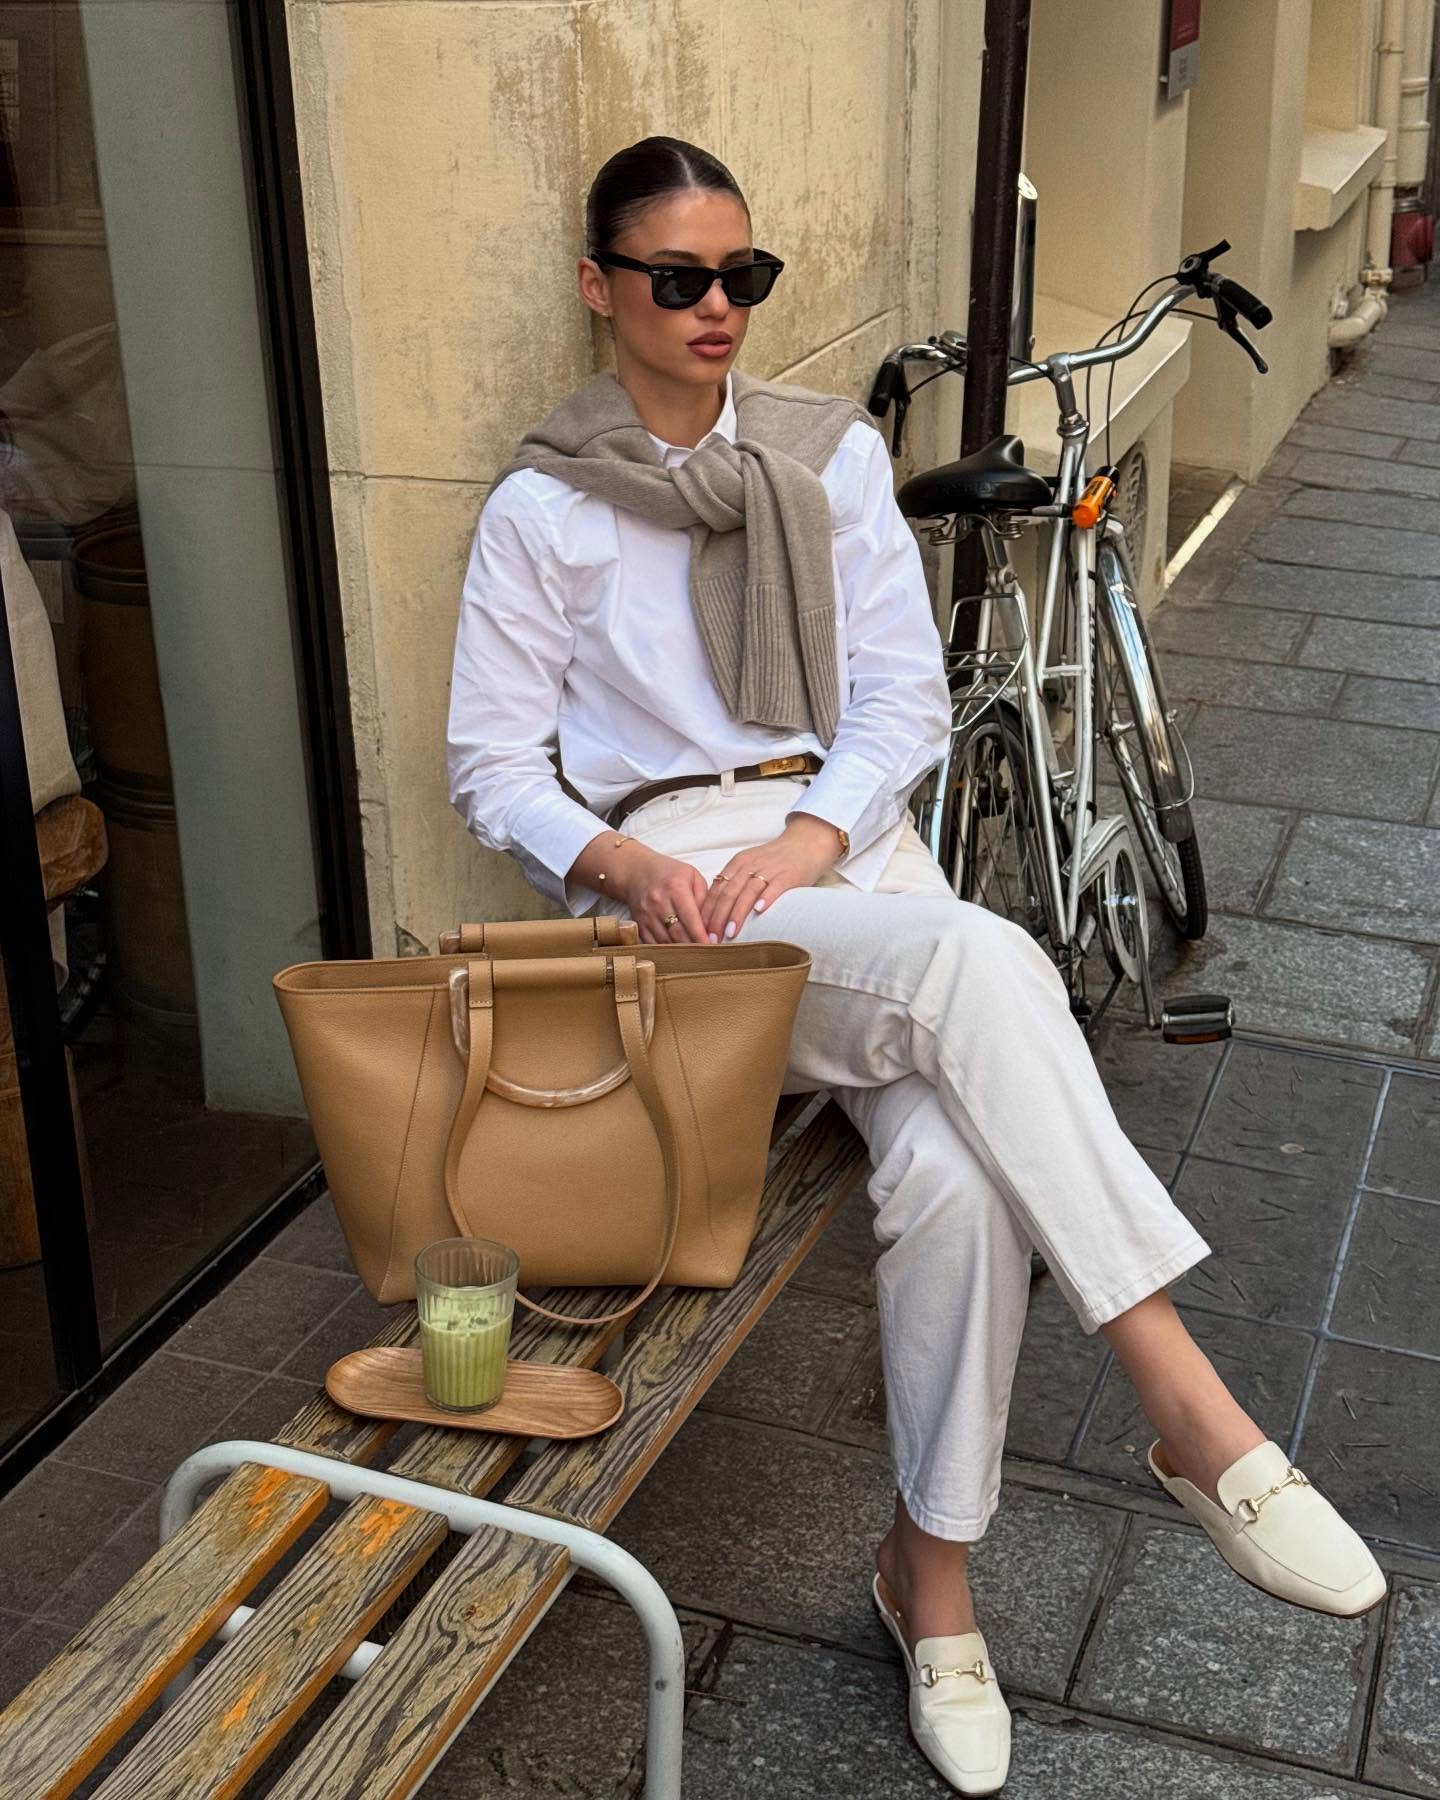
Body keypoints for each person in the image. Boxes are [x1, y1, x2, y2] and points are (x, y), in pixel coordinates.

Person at [447, 135, 1385, 1795]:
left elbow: (895, 703)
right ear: (603, 288)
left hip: (841, 867)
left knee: (956, 1167)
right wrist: (637, 864)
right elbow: (495, 768)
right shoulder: (546, 508)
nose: (718, 307)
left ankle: (927, 1582)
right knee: (980, 969)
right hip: (673, 912)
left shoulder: (828, 462)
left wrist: (808, 843)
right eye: (679, 279)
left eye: (746, 276)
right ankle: (1187, 1406)